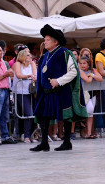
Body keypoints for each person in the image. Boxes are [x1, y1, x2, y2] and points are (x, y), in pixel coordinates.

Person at [30, 24, 87, 152]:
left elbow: (74, 72)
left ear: (56, 42)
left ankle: (67, 142)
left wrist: (59, 81)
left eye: (47, 40)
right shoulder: (44, 56)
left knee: (66, 116)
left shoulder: (65, 53)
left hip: (61, 90)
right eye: (44, 40)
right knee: (43, 115)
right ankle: (44, 142)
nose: (44, 42)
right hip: (46, 92)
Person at [12, 49, 37, 143]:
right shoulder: (17, 64)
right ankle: (25, 135)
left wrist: (33, 76)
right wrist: (30, 75)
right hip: (20, 92)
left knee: (31, 113)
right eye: (28, 55)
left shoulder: (32, 63)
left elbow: (35, 74)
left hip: (30, 91)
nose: (30, 57)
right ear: (23, 56)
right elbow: (18, 75)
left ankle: (30, 135)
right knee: (27, 113)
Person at [79, 55, 102, 139]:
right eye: (81, 63)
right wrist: (90, 77)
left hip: (92, 93)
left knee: (90, 113)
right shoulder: (80, 71)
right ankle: (84, 130)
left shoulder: (93, 70)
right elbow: (88, 81)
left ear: (88, 64)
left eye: (84, 63)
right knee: (89, 109)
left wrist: (92, 75)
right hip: (84, 94)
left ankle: (89, 133)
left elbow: (100, 78)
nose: (82, 65)